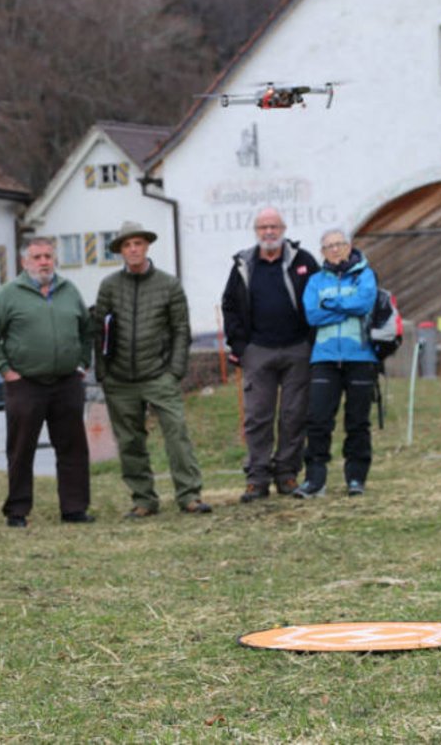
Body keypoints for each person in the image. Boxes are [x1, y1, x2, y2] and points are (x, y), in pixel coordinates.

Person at [94, 222, 211, 519]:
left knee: (176, 434)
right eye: (127, 245)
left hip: (159, 375)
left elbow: (181, 330)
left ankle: (189, 495)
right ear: (120, 251)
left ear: (147, 246)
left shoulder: (168, 285)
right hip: (119, 379)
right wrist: (103, 373)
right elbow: (99, 330)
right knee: (130, 442)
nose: (133, 249)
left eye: (137, 243)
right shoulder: (109, 286)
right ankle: (144, 499)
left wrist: (174, 371)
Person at [0, 235, 95, 528]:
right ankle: (17, 511)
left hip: (67, 382)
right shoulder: (8, 295)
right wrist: (6, 370)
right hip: (25, 384)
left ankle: (74, 508)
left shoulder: (70, 291)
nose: (44, 262)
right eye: (37, 257)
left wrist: (82, 362)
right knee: (21, 449)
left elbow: (86, 329)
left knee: (73, 447)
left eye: (48, 256)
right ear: (24, 261)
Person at [220, 206, 319, 503]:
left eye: (274, 226)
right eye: (263, 227)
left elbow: (317, 299)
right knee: (257, 417)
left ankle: (287, 473)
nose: (269, 232)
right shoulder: (244, 264)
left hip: (297, 349)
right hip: (258, 351)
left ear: (284, 229)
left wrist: (312, 343)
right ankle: (257, 478)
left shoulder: (303, 261)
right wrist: (239, 347)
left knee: (293, 415)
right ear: (256, 232)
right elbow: (229, 305)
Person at [295, 229, 379, 498]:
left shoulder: (365, 275)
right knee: (318, 420)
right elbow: (312, 315)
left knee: (357, 421)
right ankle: (314, 480)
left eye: (339, 244)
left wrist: (331, 303)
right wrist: (345, 306)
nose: (334, 250)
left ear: (349, 246)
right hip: (325, 357)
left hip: (361, 356)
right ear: (322, 252)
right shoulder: (315, 280)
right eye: (328, 246)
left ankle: (356, 478)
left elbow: (364, 304)